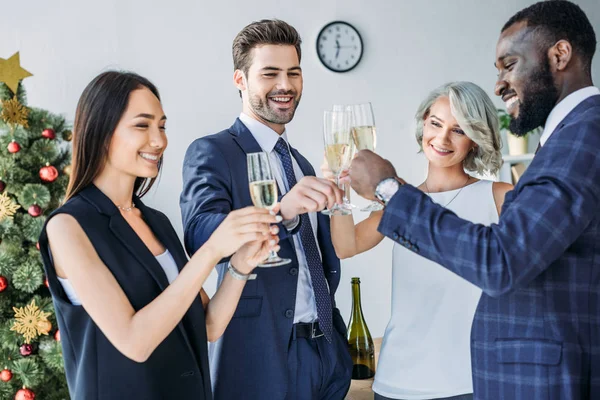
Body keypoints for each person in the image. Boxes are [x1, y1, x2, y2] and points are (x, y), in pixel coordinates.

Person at [346, 1, 600, 398]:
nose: (499, 83)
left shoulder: (583, 134)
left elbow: (503, 260)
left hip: (488, 380)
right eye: (435, 124)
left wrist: (389, 189)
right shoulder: (570, 135)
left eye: (509, 64)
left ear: (560, 55)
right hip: (408, 378)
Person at [38, 71, 280, 399]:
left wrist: (240, 265)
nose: (159, 140)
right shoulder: (67, 227)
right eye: (142, 125)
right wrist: (210, 251)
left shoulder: (157, 222)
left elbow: (208, 325)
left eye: (162, 126)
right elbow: (134, 342)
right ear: (102, 133)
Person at [180, 19, 352, 400]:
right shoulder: (213, 152)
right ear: (240, 80)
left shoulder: (304, 164)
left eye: (293, 72)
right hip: (262, 356)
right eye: (270, 73)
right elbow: (200, 234)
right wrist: (280, 212)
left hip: (326, 352)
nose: (285, 85)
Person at [323, 82, 512, 400]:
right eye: (435, 123)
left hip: (468, 381)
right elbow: (347, 246)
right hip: (397, 381)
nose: (441, 138)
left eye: (459, 130)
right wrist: (336, 194)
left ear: (476, 141)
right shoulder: (402, 200)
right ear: (423, 123)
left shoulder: (499, 197)